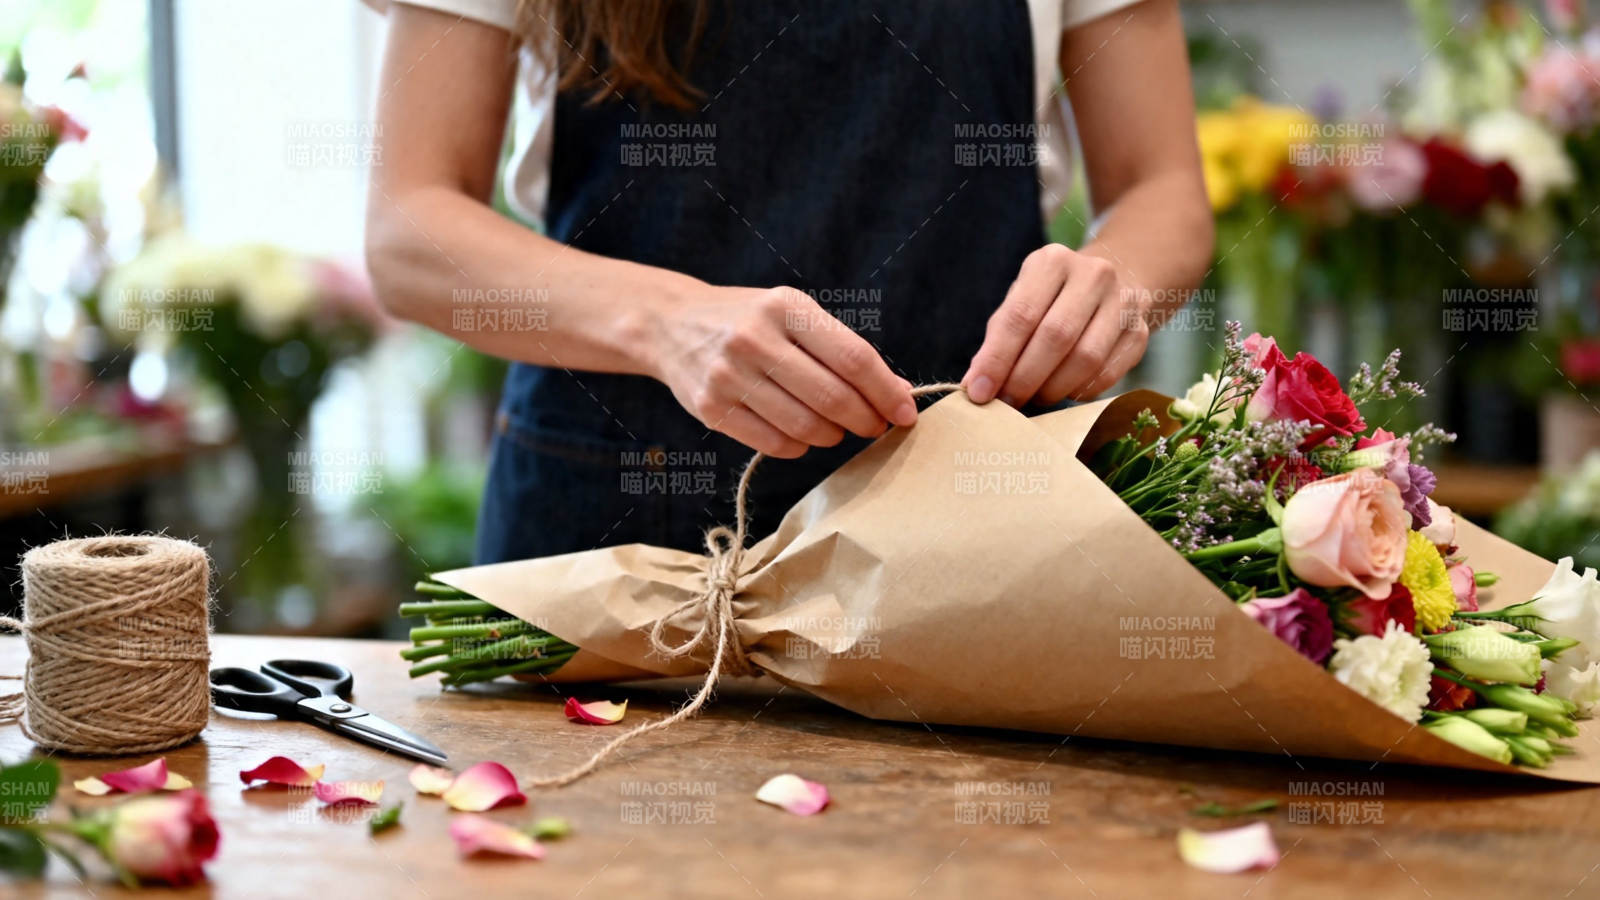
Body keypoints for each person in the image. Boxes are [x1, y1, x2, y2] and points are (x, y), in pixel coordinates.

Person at [364, 0, 1213, 563]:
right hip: (615, 529)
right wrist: (665, 322)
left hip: (984, 527)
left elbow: (1162, 187)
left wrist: (1116, 283)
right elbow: (410, 225)